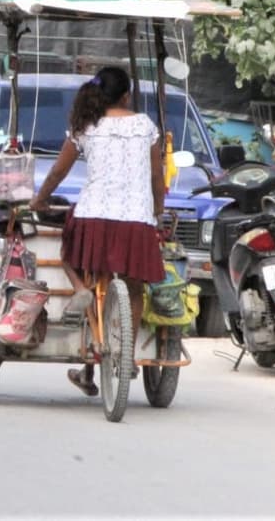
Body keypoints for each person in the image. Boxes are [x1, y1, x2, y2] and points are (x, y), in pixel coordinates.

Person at [29, 66, 166, 397]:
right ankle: (128, 355)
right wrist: (157, 212)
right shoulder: (145, 126)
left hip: (94, 218)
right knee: (133, 288)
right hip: (136, 219)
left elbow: (58, 171)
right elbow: (156, 177)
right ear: (126, 96)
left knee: (71, 255)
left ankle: (80, 288)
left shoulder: (86, 126)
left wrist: (40, 200)